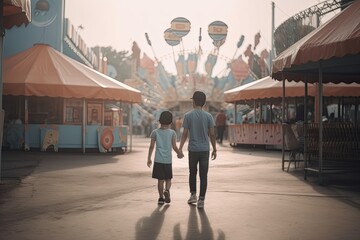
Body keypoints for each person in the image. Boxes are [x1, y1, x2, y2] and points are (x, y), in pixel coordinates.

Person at [179, 91, 217, 209]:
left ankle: (193, 195)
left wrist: (180, 148)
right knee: (203, 175)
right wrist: (215, 149)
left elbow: (185, 134)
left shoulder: (188, 116)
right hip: (205, 150)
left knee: (192, 173)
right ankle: (201, 200)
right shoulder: (208, 116)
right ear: (204, 103)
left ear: (194, 101)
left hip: (193, 150)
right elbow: (212, 134)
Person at [147, 111, 184, 205]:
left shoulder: (155, 132)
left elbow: (151, 146)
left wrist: (149, 158)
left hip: (158, 160)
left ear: (160, 120)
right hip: (168, 160)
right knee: (168, 179)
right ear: (170, 122)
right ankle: (167, 190)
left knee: (160, 180)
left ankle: (160, 198)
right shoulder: (172, 133)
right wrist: (179, 153)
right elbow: (174, 146)